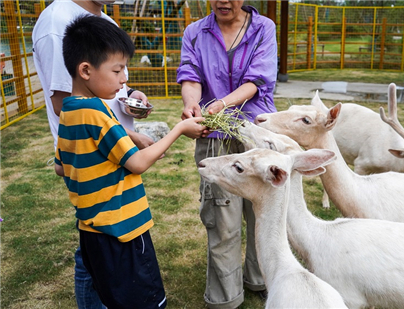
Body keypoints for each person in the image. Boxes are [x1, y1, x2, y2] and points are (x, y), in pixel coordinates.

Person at [54, 15, 206, 308]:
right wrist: (179, 130)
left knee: (112, 299)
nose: (124, 78)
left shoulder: (69, 112)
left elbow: (61, 165)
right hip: (122, 233)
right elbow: (136, 163)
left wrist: (127, 142)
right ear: (86, 70)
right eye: (118, 69)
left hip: (91, 232)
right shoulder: (98, 113)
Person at [32, 1, 155, 308]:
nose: (123, 76)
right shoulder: (56, 23)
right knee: (99, 250)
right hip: (101, 156)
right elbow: (65, 104)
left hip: (113, 152)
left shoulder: (104, 19)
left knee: (99, 245)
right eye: (119, 70)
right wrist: (127, 138)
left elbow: (107, 85)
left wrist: (130, 98)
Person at [176, 1, 278, 308]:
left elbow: (257, 81)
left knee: (263, 214)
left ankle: (261, 279)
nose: (223, 1)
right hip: (215, 137)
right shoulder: (195, 32)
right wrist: (193, 104)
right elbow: (190, 73)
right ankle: (225, 298)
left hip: (256, 136)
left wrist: (219, 105)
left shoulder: (264, 29)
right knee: (221, 219)